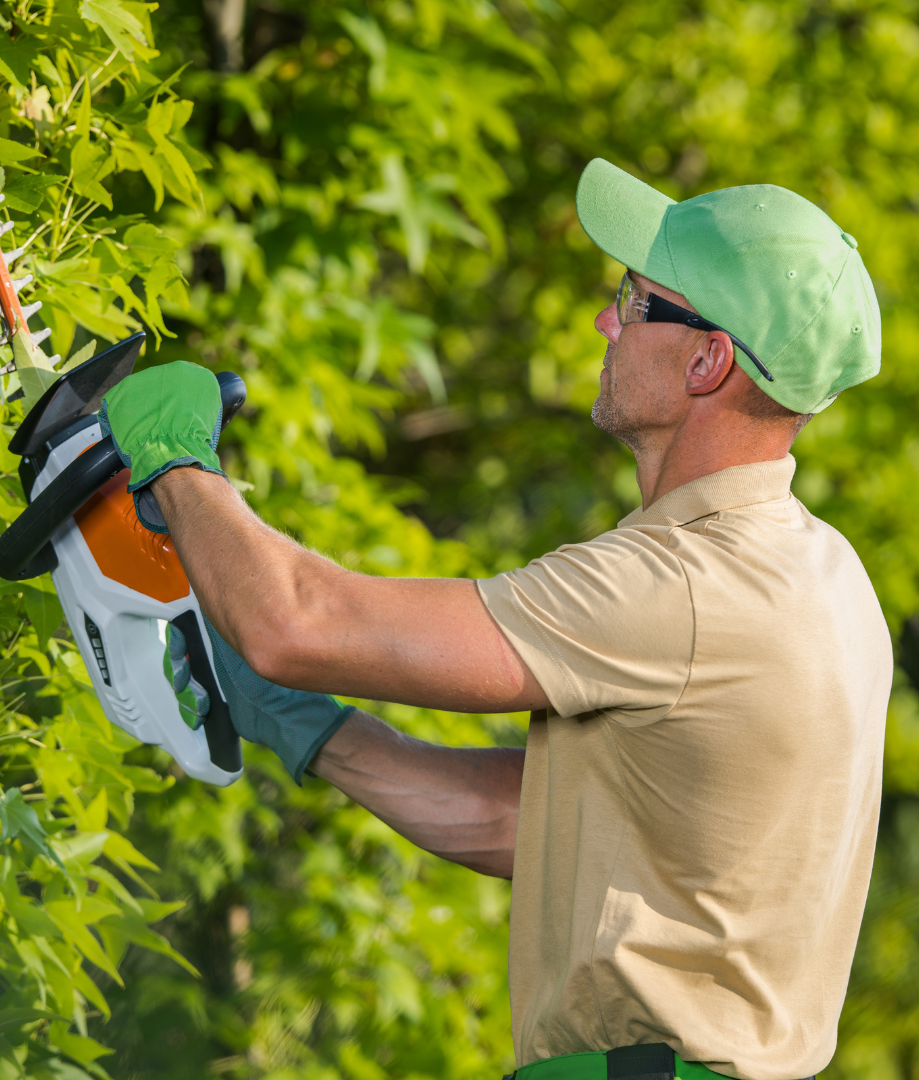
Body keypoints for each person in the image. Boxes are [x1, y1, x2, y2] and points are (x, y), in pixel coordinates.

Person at [98, 159, 891, 1080]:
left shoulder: (682, 588)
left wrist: (176, 464)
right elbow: (536, 830)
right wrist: (304, 722)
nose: (606, 320)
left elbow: (296, 621)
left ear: (708, 360)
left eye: (635, 301)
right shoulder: (824, 575)